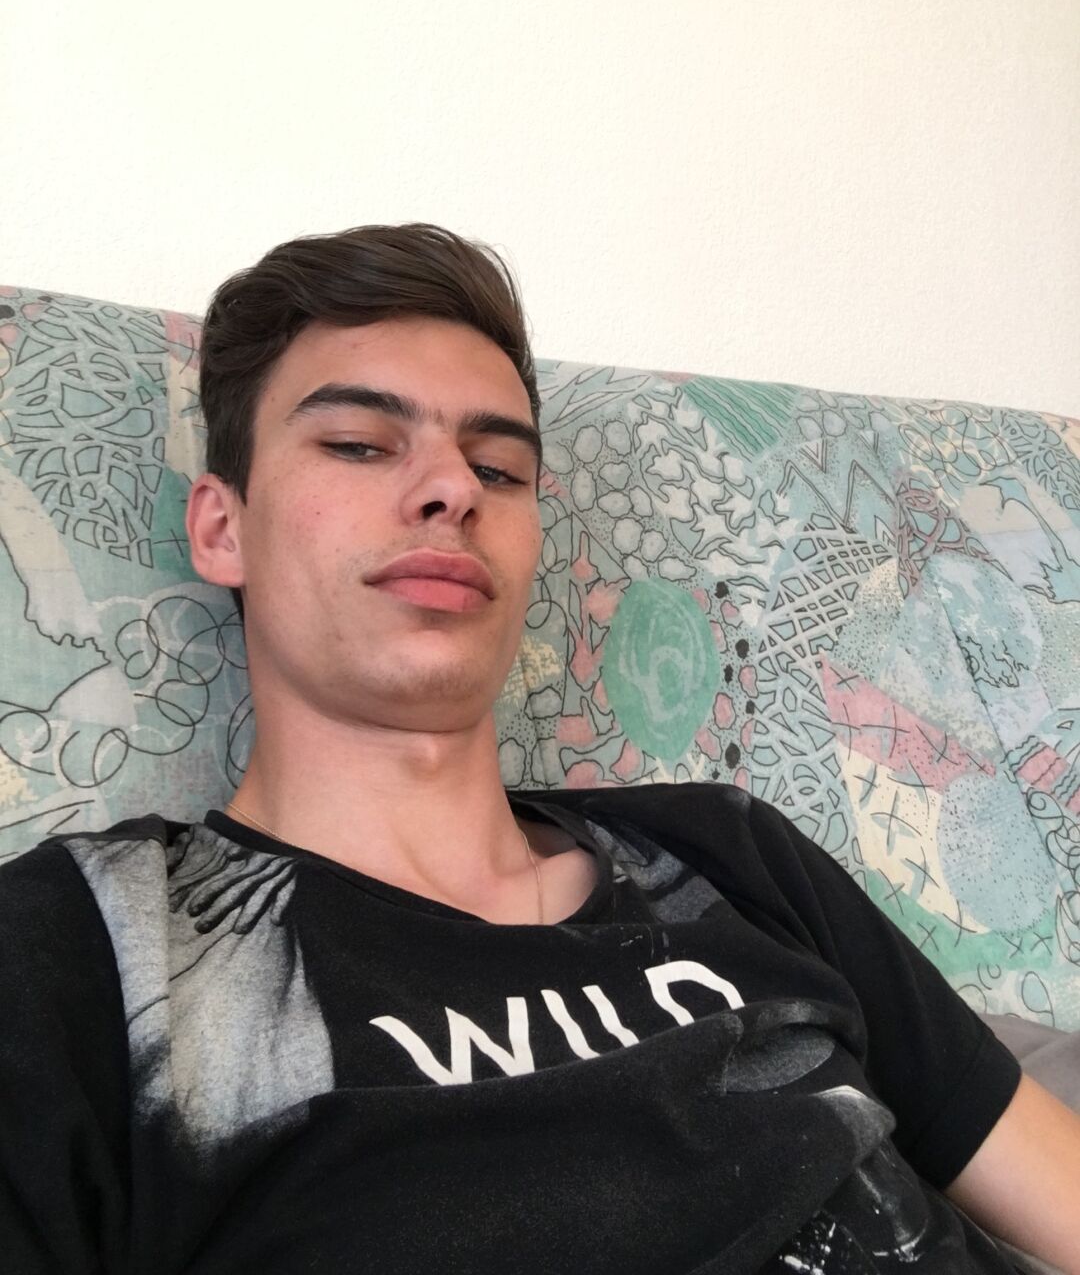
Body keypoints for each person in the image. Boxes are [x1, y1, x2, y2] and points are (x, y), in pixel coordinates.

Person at [1, 224, 1078, 1275]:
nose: (454, 488)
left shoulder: (725, 854)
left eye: (500, 468)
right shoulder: (84, 946)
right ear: (221, 527)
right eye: (360, 444)